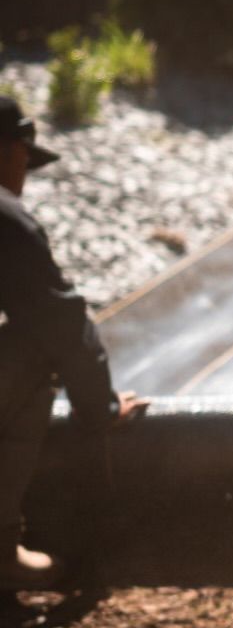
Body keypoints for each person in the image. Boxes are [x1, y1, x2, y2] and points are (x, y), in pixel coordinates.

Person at [0, 94, 145, 595]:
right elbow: (60, 320)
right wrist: (99, 408)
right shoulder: (6, 218)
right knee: (35, 348)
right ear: (12, 150)